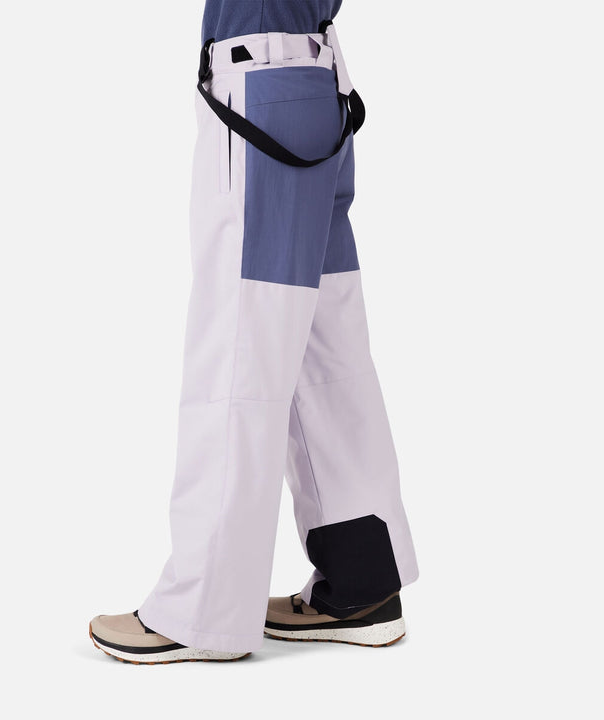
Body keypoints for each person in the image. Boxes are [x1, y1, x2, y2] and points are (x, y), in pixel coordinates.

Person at [89, 0, 418, 665]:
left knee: (239, 349)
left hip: (261, 87)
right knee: (326, 354)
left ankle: (201, 611)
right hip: (313, 84)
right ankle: (360, 585)